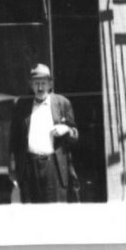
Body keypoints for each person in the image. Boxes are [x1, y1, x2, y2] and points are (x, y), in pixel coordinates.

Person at [8, 63, 80, 203]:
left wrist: (66, 130)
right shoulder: (21, 106)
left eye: (43, 83)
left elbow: (75, 135)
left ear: (50, 84)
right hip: (28, 167)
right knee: (30, 211)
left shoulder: (62, 103)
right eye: (36, 83)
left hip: (52, 166)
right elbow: (13, 140)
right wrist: (13, 171)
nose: (40, 88)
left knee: (52, 212)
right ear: (31, 85)